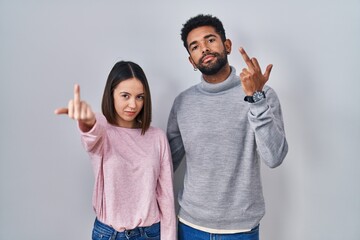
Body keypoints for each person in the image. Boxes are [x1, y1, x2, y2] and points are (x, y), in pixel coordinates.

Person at [166, 14, 289, 240]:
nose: (204, 48)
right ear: (191, 61)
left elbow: (275, 157)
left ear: (227, 45)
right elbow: (163, 164)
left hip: (240, 230)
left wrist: (257, 99)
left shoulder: (261, 94)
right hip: (190, 226)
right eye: (195, 46)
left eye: (210, 40)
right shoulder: (183, 103)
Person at [55, 61, 176, 240]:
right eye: (125, 96)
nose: (133, 105)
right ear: (111, 94)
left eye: (140, 97)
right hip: (109, 234)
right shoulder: (103, 132)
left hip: (150, 233)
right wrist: (88, 121)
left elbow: (166, 196)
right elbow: (92, 130)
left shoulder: (157, 137)